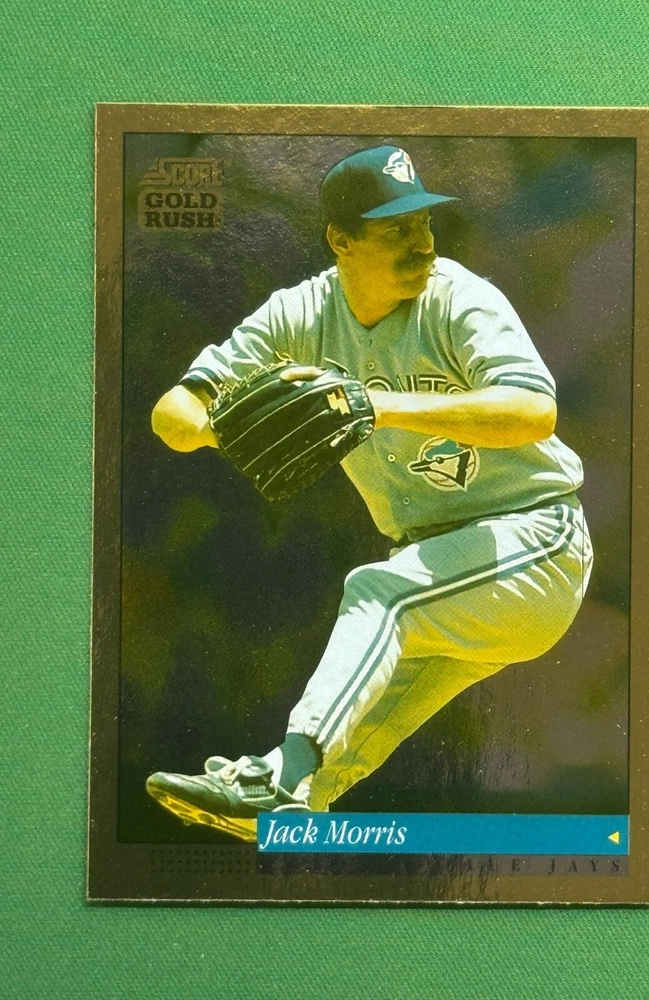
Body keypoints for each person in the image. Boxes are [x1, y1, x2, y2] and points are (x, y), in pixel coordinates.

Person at [146, 145, 593, 842]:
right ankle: (285, 804)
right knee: (356, 727)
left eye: (424, 222)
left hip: (535, 541)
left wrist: (377, 404)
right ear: (341, 239)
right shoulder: (300, 315)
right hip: (439, 567)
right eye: (396, 229)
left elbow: (534, 412)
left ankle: (282, 774)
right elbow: (172, 415)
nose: (422, 242)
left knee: (378, 593)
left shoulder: (457, 297)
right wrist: (222, 428)